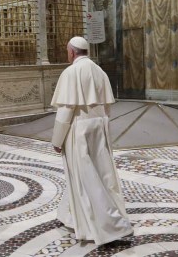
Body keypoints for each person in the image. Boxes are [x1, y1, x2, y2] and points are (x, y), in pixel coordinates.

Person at [51, 36, 133, 245]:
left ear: (71, 52)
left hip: (79, 130)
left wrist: (57, 139)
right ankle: (70, 215)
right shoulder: (100, 71)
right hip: (99, 127)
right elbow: (107, 106)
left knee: (86, 178)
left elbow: (66, 111)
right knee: (101, 174)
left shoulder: (71, 72)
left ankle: (112, 227)